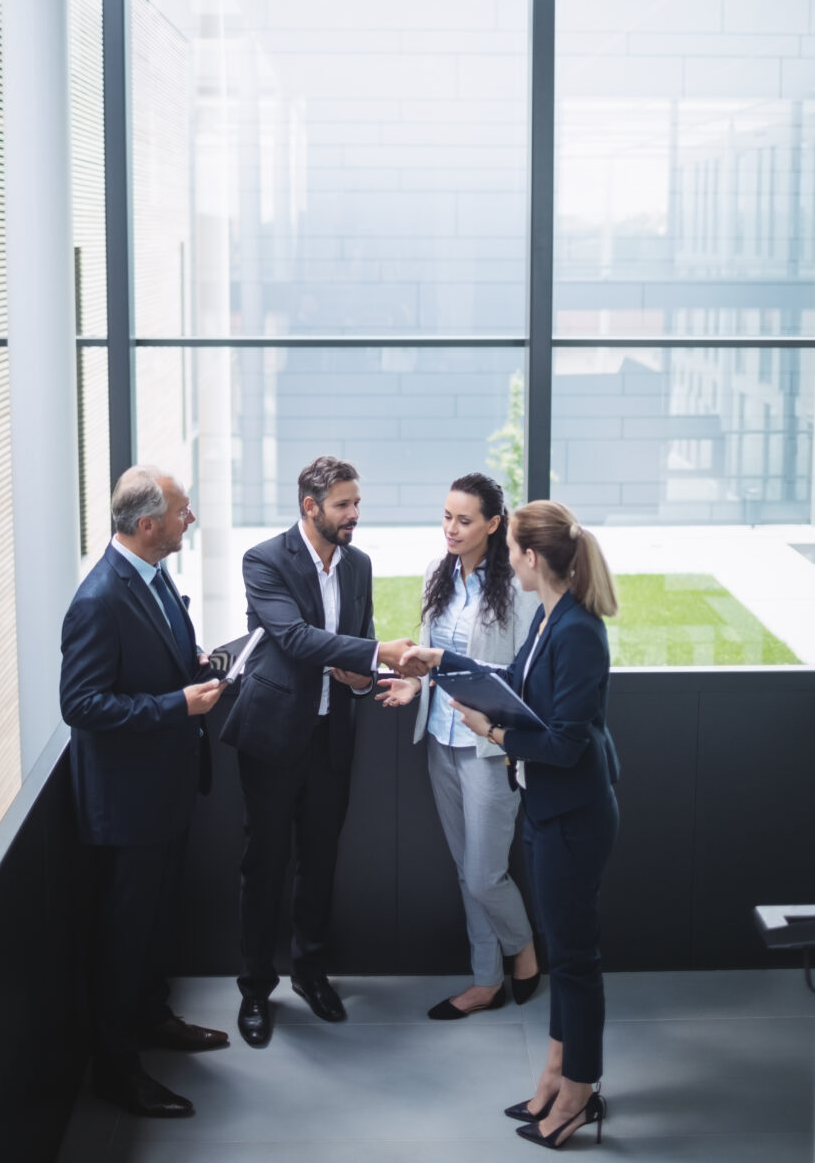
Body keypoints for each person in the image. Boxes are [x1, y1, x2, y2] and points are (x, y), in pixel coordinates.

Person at [399, 500, 620, 1151]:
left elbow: (567, 743)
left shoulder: (578, 629)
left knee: (576, 962)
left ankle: (579, 1090)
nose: (508, 560)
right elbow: (515, 683)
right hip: (549, 808)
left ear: (528, 555)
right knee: (570, 954)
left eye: (513, 549)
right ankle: (557, 1071)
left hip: (574, 814)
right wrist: (442, 665)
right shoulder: (551, 618)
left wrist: (493, 730)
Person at [220, 455, 421, 1049]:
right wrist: (376, 653)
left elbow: (354, 638)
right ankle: (255, 989)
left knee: (320, 861)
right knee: (265, 866)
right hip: (273, 737)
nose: (354, 515)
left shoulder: (358, 565)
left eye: (357, 503)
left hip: (333, 736)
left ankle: (310, 973)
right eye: (343, 505)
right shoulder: (264, 560)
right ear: (310, 507)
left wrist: (360, 676)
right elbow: (293, 638)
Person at [60, 465, 227, 1120]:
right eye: (184, 512)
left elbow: (154, 659)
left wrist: (195, 668)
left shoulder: (154, 577)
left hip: (164, 794)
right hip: (126, 808)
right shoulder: (98, 598)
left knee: (157, 926)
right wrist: (175, 705)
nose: (192, 521)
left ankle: (155, 1022)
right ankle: (117, 1072)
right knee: (123, 940)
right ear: (149, 523)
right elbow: (81, 704)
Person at [377, 472, 540, 1018]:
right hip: (439, 740)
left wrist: (472, 692)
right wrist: (414, 682)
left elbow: (521, 673)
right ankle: (484, 980)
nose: (450, 528)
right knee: (462, 867)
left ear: (494, 525)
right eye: (446, 516)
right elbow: (429, 655)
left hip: (488, 747)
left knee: (483, 873)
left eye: (464, 520)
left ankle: (524, 950)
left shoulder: (516, 587)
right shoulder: (436, 573)